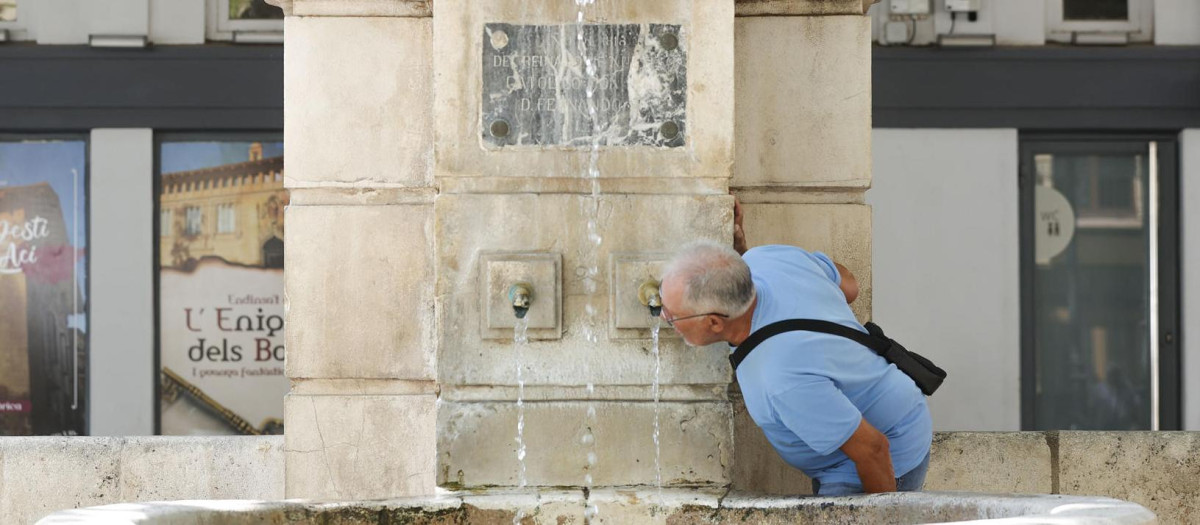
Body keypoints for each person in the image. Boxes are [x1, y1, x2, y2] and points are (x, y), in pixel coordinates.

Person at [658, 201, 932, 496]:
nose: (663, 316)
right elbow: (850, 287)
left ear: (714, 322)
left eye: (673, 315)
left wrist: (881, 517)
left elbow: (873, 449)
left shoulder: (780, 378)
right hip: (882, 420)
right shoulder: (767, 259)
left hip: (880, 458)